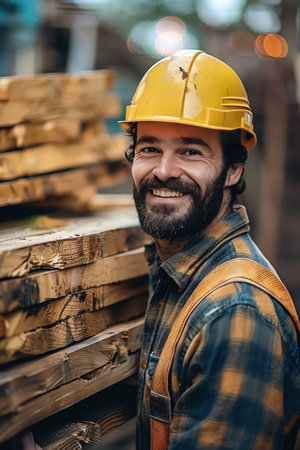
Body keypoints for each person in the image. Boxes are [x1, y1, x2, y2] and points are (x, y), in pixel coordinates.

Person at [119, 49, 300, 449]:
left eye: (190, 151)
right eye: (149, 148)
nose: (163, 170)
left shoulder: (235, 313)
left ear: (234, 169)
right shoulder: (176, 275)